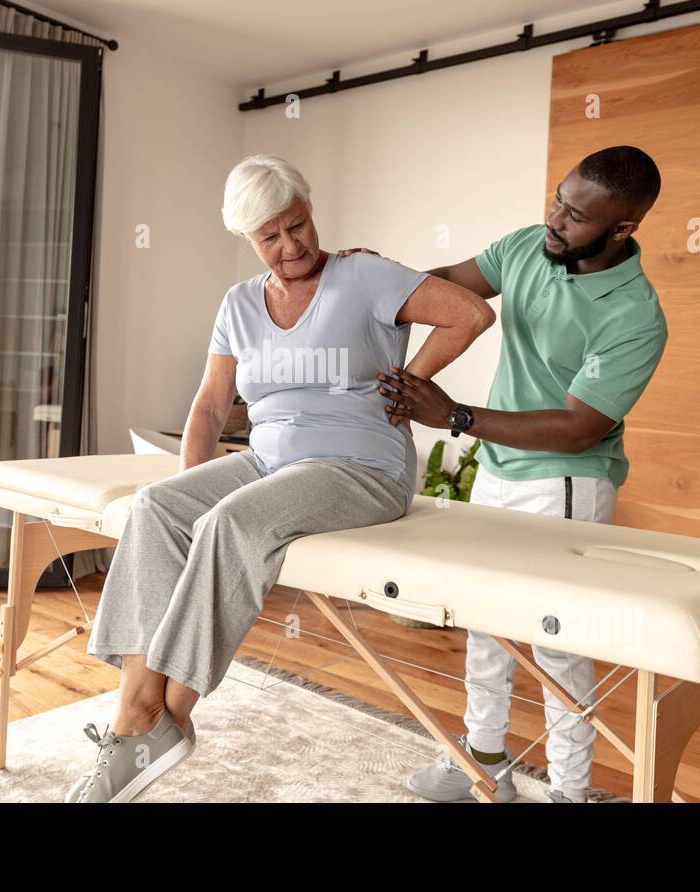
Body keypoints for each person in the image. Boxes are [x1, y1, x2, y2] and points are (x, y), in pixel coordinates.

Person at [69, 154, 496, 802]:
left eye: (298, 225)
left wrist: (407, 387)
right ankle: (135, 716)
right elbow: (212, 406)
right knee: (155, 506)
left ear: (309, 210)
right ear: (247, 238)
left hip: (361, 466)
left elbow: (470, 313)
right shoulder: (239, 304)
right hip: (270, 459)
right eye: (270, 237)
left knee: (230, 521)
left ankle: (174, 714)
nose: (291, 245)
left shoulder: (362, 275)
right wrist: (189, 490)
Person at [348, 145, 668, 803]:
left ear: (621, 229)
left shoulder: (635, 314)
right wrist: (375, 277)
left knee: (558, 645)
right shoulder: (529, 245)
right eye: (557, 199)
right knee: (485, 627)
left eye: (575, 217)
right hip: (496, 469)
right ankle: (482, 767)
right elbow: (447, 283)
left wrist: (456, 416)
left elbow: (581, 427)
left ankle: (571, 793)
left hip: (567, 484)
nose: (555, 220)